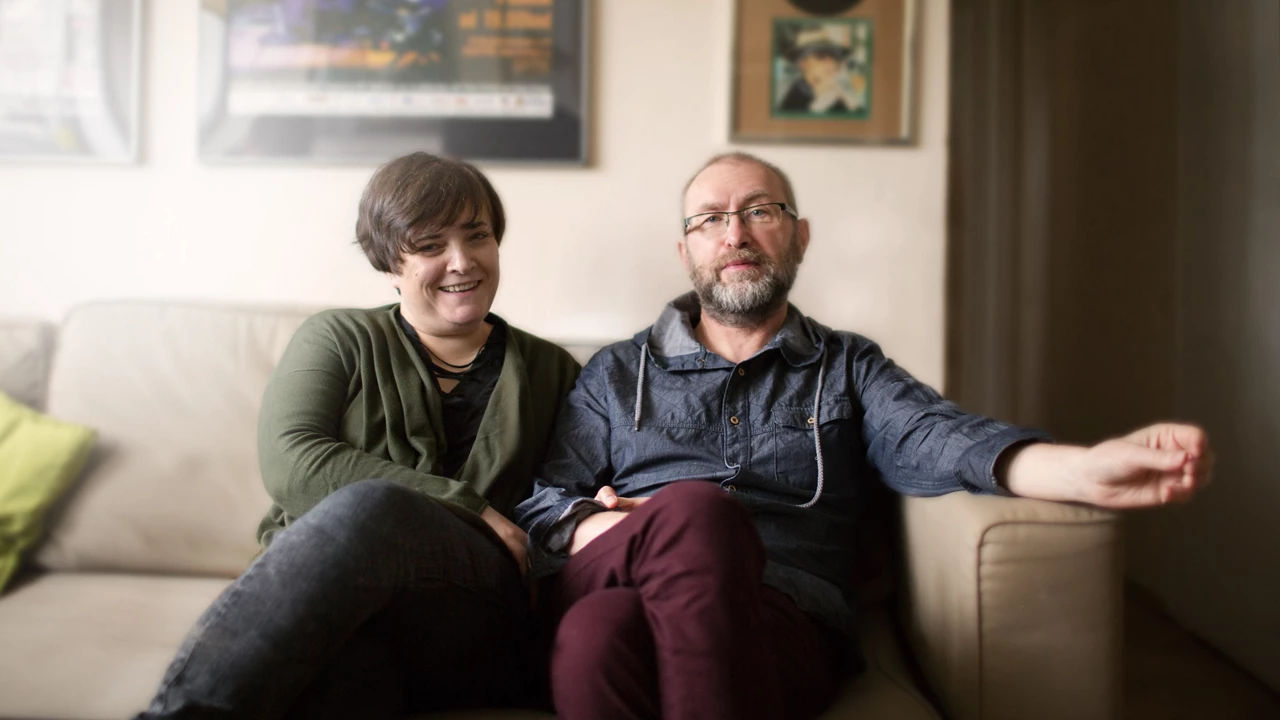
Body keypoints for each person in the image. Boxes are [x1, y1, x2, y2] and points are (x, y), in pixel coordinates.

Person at [514, 151, 1212, 720]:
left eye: (761, 211)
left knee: (595, 636)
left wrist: (1084, 469)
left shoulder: (848, 367)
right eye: (712, 219)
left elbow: (937, 436)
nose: (736, 235)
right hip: (621, 564)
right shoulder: (616, 371)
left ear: (801, 234)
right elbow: (547, 500)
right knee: (692, 513)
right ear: (686, 247)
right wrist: (608, 529)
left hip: (780, 613)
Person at [135, 152, 580, 719]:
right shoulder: (337, 338)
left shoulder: (553, 369)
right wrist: (471, 506)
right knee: (337, 677)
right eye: (429, 246)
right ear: (387, 261)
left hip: (474, 614)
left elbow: (570, 498)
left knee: (372, 506)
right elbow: (293, 462)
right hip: (340, 609)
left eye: (478, 237)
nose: (462, 261)